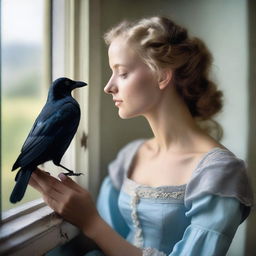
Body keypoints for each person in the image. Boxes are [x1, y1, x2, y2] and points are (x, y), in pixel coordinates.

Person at [29, 16, 254, 256]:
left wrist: (91, 222)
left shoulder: (220, 174)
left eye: (122, 73)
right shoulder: (131, 156)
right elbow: (108, 240)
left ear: (162, 76)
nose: (108, 87)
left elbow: (100, 229)